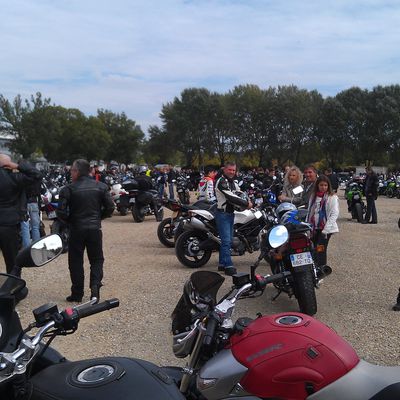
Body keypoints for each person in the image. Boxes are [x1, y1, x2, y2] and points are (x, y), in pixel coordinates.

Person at [57, 159, 115, 303]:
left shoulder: (68, 189)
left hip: (77, 229)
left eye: (72, 170)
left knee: (75, 261)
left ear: (77, 171)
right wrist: (99, 218)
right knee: (96, 260)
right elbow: (110, 207)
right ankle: (95, 290)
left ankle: (77, 294)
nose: (70, 173)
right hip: (94, 228)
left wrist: (71, 221)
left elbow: (61, 212)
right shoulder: (101, 186)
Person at [0, 154, 42, 279]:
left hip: (9, 221)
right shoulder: (15, 178)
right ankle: (13, 289)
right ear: (8, 165)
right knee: (12, 261)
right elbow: (37, 175)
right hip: (9, 223)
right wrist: (19, 165)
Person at [215, 161, 251, 276]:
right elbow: (231, 196)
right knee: (226, 241)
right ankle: (228, 266)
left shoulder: (233, 182)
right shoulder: (221, 181)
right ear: (224, 169)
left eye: (234, 170)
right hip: (223, 214)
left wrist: (250, 199)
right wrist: (246, 203)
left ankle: (222, 264)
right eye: (230, 170)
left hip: (230, 214)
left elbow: (240, 192)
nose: (232, 172)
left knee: (227, 240)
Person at [307, 175, 339, 272]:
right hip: (313, 227)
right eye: (321, 185)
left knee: (321, 249)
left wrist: (325, 230)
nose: (323, 187)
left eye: (325, 185)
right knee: (312, 248)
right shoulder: (313, 196)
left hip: (325, 228)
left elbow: (334, 213)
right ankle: (313, 268)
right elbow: (310, 211)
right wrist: (307, 225)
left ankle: (321, 269)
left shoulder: (332, 197)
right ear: (317, 185)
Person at [20, 174, 44, 247]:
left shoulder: (21, 178)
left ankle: (27, 248)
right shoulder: (35, 179)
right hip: (34, 203)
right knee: (35, 227)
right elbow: (41, 191)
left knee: (25, 227)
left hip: (24, 203)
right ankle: (37, 247)